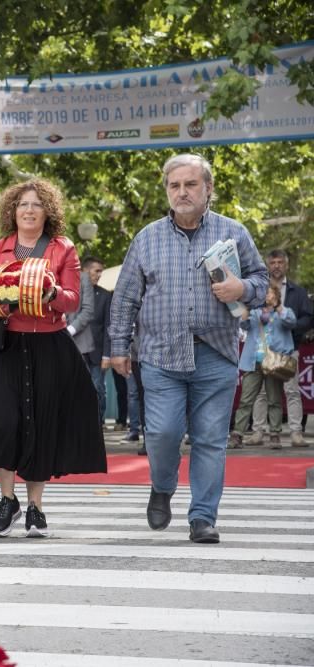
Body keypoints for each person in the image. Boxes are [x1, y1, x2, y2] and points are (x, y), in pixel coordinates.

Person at [109, 153, 268, 544]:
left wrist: (242, 289)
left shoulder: (234, 233)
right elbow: (126, 298)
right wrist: (117, 347)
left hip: (216, 354)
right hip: (161, 355)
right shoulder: (147, 237)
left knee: (211, 439)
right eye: (174, 185)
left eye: (190, 184)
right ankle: (163, 486)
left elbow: (261, 281)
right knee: (162, 434)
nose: (181, 192)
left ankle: (202, 517)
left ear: (208, 188)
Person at [0, 179, 106, 538]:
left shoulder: (63, 248)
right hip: (5, 344)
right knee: (3, 422)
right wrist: (0, 297)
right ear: (12, 211)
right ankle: (7, 500)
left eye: (36, 204)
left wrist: (48, 292)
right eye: (22, 204)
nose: (29, 210)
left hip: (49, 344)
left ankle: (35, 507)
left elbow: (71, 301)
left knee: (41, 424)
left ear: (48, 210)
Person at [246, 249, 313, 448]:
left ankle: (295, 433)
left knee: (292, 391)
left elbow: (308, 318)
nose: (276, 266)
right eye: (273, 262)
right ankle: (258, 432)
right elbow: (250, 317)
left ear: (286, 265)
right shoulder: (259, 291)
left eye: (280, 262)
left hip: (288, 350)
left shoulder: (298, 291)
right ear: (268, 265)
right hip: (262, 350)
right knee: (261, 394)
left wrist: (293, 330)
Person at [230, 284, 296, 449]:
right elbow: (243, 325)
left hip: (274, 363)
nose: (267, 295)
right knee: (246, 400)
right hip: (253, 363)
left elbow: (291, 322)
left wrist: (278, 306)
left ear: (276, 295)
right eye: (265, 293)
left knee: (274, 400)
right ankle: (237, 435)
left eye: (271, 292)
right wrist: (244, 312)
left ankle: (275, 434)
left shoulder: (283, 312)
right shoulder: (255, 312)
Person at [71, 256, 111, 426]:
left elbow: (108, 326)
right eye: (97, 271)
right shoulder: (71, 285)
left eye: (101, 271)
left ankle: (97, 422)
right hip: (73, 347)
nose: (99, 275)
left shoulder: (105, 295)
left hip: (96, 350)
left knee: (98, 388)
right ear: (86, 270)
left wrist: (107, 355)